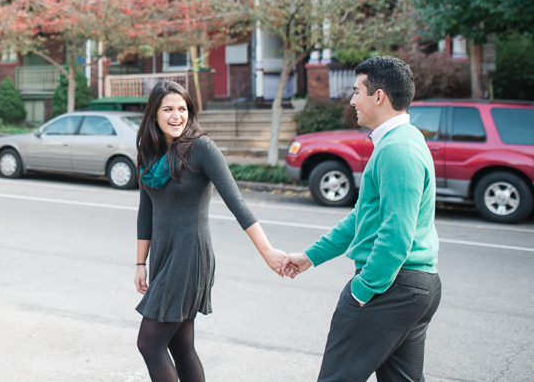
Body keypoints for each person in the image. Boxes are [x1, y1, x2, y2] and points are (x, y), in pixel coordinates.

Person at [284, 56, 441, 382]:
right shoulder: (400, 142)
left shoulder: (398, 150)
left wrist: (362, 290)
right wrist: (311, 257)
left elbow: (397, 233)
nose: (352, 99)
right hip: (412, 286)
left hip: (391, 287)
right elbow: (362, 219)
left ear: (379, 96)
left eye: (357, 91)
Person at [134, 80, 289, 382]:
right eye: (168, 109)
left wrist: (267, 250)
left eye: (182, 109)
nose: (176, 115)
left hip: (189, 256)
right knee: (180, 344)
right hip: (163, 257)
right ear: (154, 114)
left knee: (149, 343)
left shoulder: (201, 148)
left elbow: (237, 203)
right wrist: (140, 264)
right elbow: (146, 212)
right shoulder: (147, 153)